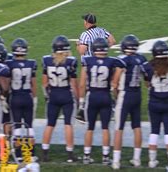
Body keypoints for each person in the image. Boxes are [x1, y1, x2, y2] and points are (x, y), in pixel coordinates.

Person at [79, 37, 124, 166]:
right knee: (105, 128)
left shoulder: (87, 61)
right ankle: (105, 157)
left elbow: (82, 84)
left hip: (92, 96)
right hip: (105, 96)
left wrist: (81, 102)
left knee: (89, 127)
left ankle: (86, 156)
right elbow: (121, 66)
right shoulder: (112, 61)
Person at [142, 40, 168, 170]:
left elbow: (147, 84)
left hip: (154, 102)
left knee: (154, 131)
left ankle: (152, 160)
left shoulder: (147, 66)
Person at [41, 35, 78, 163]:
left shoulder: (47, 61)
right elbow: (73, 84)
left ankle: (44, 154)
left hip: (53, 96)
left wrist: (47, 96)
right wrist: (78, 99)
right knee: (68, 124)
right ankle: (70, 154)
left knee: (50, 124)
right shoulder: (70, 61)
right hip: (66, 95)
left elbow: (44, 83)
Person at [112, 35, 147, 170]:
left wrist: (116, 97)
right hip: (137, 94)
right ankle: (137, 159)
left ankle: (116, 161)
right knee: (136, 126)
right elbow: (147, 78)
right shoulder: (141, 59)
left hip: (125, 94)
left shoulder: (122, 60)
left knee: (118, 128)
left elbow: (115, 83)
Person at [6, 38, 37, 157]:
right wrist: (35, 98)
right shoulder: (31, 64)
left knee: (18, 126)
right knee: (29, 125)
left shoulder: (9, 64)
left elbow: (8, 83)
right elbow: (33, 83)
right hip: (27, 97)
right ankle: (31, 153)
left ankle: (19, 154)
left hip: (15, 98)